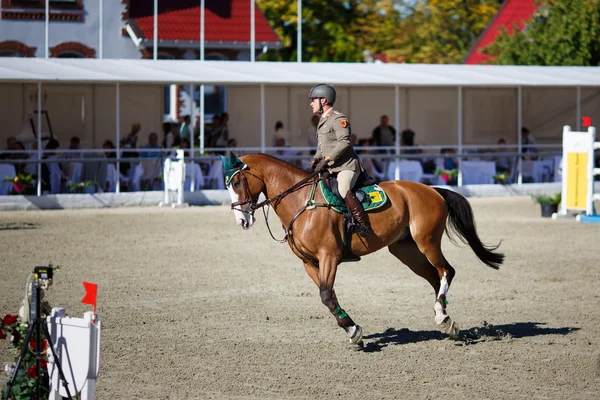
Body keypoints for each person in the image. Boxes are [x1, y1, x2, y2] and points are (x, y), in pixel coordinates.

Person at [308, 83, 371, 237]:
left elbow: (344, 142)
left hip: (346, 167)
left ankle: (364, 225)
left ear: (323, 100)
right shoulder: (323, 120)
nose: (311, 103)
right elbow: (323, 146)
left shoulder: (338, 118)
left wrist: (327, 159)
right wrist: (316, 158)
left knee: (343, 189)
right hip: (331, 167)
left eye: (313, 100)